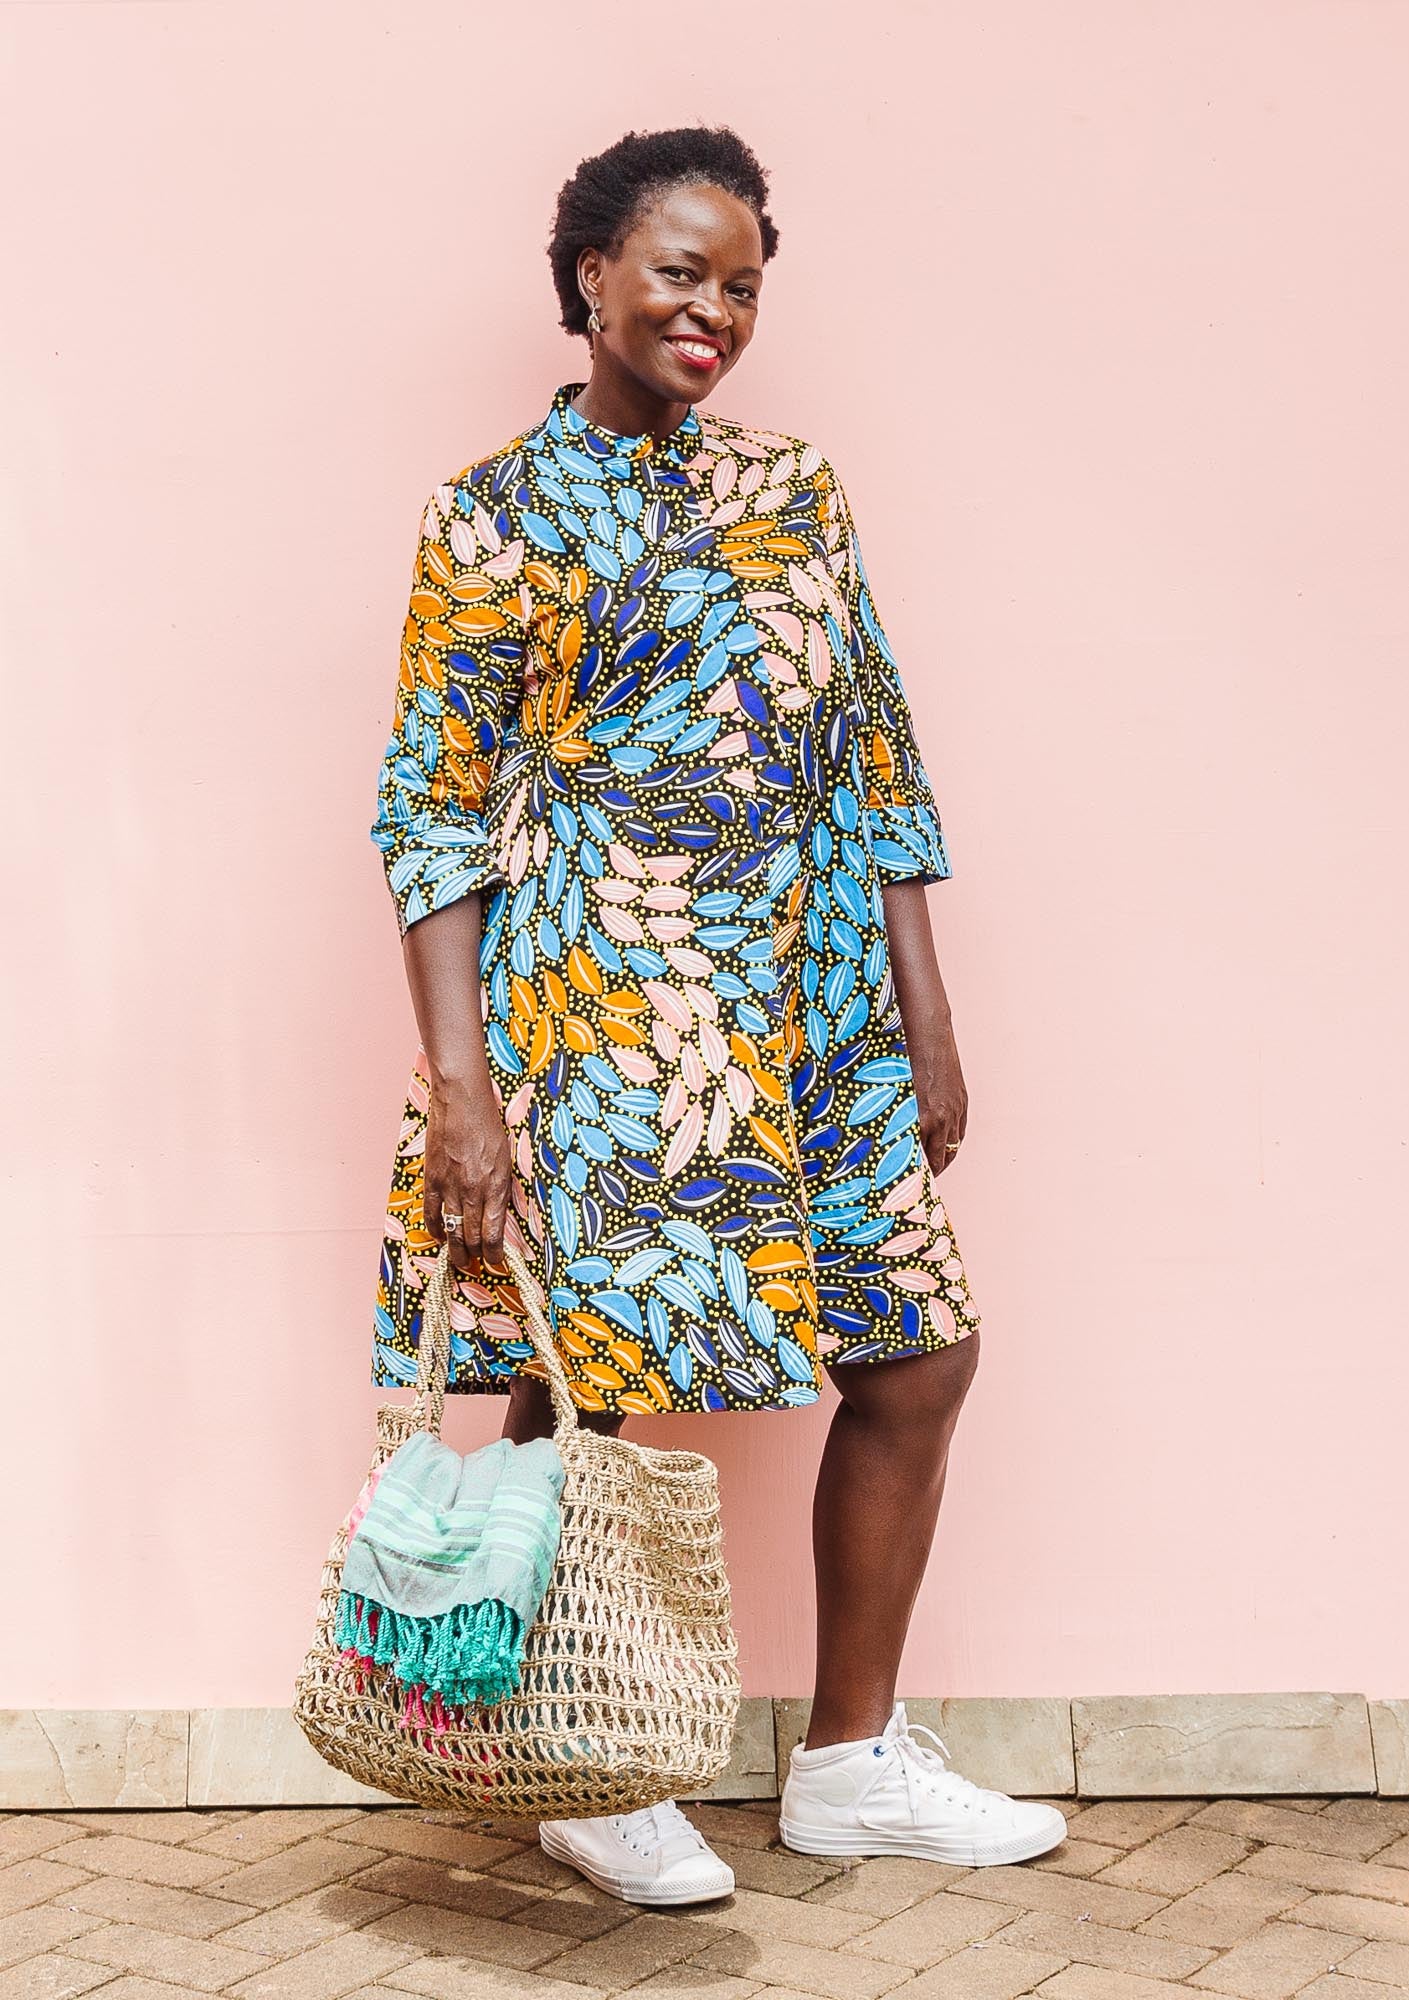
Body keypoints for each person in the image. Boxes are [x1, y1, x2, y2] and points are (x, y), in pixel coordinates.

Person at [367, 123, 1066, 1905]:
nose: (715, 310)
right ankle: (589, 1765)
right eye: (680, 271)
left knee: (918, 1351)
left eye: (743, 284)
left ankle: (846, 1764)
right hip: (600, 1004)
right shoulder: (492, 512)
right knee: (580, 1386)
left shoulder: (793, 491)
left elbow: (872, 753)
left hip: (812, 998)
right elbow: (432, 808)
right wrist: (462, 1088)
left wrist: (925, 1003)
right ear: (590, 274)